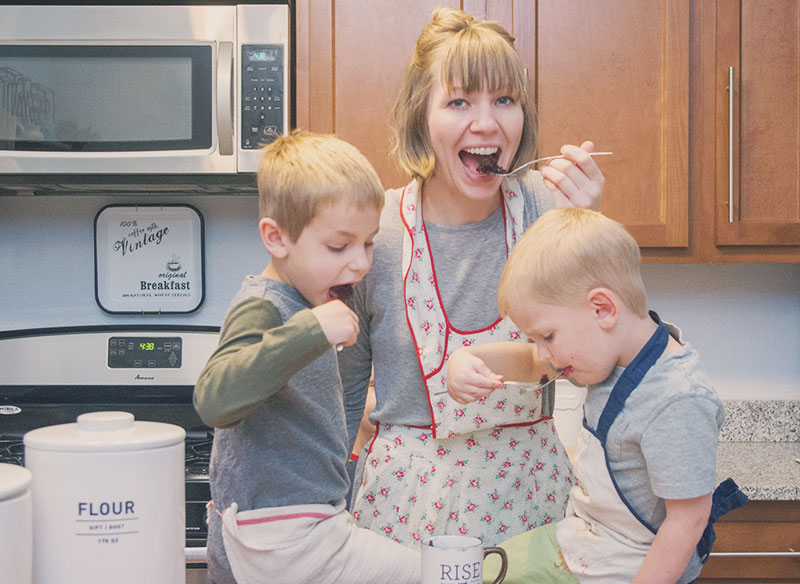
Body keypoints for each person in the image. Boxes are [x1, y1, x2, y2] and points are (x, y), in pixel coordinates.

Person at [340, 7, 606, 547]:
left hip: (531, 505)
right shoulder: (378, 232)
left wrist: (587, 234)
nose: (486, 123)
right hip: (402, 511)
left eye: (504, 100)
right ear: (421, 116)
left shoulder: (545, 211)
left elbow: (595, 362)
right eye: (459, 101)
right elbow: (342, 398)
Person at [446, 208, 746, 583]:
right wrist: (465, 357)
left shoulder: (675, 399)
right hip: (591, 544)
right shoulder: (611, 352)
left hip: (629, 567)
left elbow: (689, 520)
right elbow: (532, 364)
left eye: (547, 336)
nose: (542, 353)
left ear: (602, 308)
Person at [193, 130, 421, 584]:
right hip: (276, 536)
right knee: (435, 574)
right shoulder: (265, 305)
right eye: (339, 246)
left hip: (298, 529)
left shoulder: (311, 301)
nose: (360, 262)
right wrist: (310, 331)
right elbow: (214, 399)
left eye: (369, 243)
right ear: (277, 239)